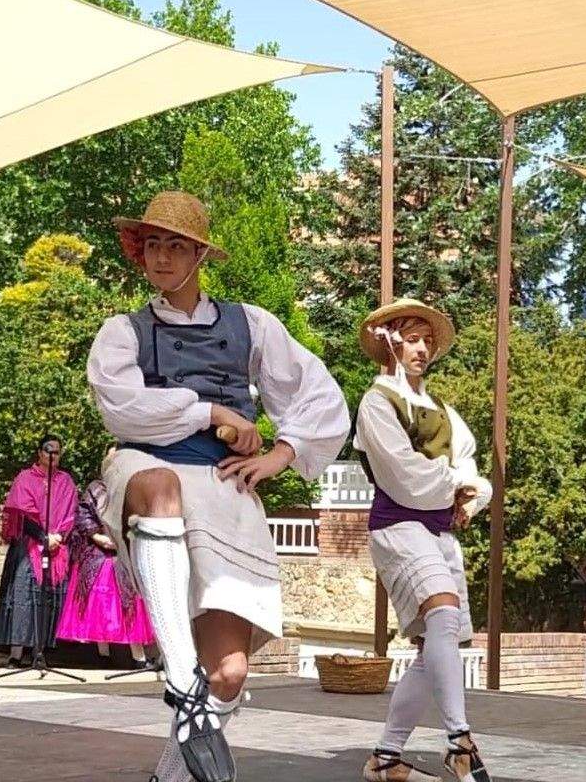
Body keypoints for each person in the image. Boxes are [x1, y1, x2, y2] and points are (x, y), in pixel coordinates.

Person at [86, 191, 348, 782]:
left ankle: (169, 774)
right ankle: (180, 672)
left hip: (223, 485)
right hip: (146, 465)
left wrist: (283, 452)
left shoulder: (251, 324)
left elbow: (319, 394)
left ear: (199, 254)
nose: (161, 256)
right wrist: (211, 413)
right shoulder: (123, 332)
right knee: (159, 488)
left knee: (228, 674)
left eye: (175, 245)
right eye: (152, 243)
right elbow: (123, 410)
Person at [352, 299, 492, 782]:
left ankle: (386, 758)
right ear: (389, 342)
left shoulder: (446, 412)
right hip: (397, 527)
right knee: (445, 615)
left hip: (440, 533)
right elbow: (404, 476)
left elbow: (472, 468)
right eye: (413, 338)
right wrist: (456, 483)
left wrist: (471, 496)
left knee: (437, 641)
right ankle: (459, 742)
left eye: (428, 341)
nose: (423, 349)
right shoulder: (376, 402)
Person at [0, 435, 76, 666]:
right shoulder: (25, 478)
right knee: (22, 597)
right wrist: (42, 537)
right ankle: (16, 654)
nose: (52, 455)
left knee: (49, 599)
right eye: (48, 450)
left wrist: (57, 537)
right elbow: (21, 514)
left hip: (57, 545)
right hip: (28, 544)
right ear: (39, 452)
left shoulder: (66, 481)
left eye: (57, 451)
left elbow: (70, 514)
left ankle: (42, 652)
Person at [55, 480, 156, 669]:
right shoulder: (95, 489)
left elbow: (141, 518)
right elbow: (83, 514)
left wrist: (126, 539)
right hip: (97, 553)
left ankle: (139, 658)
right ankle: (103, 654)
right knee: (99, 604)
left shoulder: (131, 488)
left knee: (131, 604)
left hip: (125, 552)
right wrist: (96, 536)